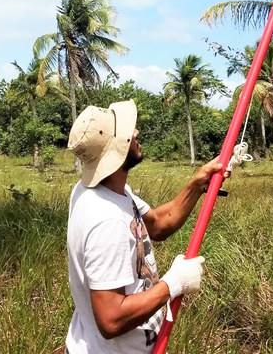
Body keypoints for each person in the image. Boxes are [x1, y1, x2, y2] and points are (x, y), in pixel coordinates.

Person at [65, 99, 227, 353]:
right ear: (116, 150)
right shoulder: (105, 219)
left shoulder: (106, 190)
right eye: (128, 132)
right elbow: (111, 319)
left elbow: (158, 224)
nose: (137, 132)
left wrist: (198, 184)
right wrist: (173, 283)